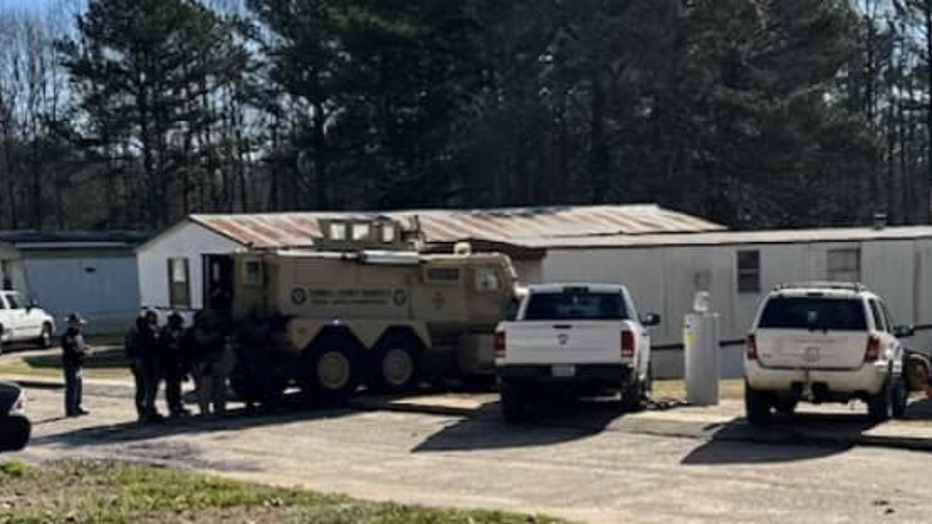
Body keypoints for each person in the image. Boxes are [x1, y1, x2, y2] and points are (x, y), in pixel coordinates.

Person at [187, 311, 234, 416]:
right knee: (205, 389)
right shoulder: (196, 331)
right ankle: (205, 411)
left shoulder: (216, 330)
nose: (211, 320)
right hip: (202, 363)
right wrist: (214, 336)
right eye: (208, 318)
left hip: (216, 361)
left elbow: (224, 346)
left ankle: (220, 410)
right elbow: (202, 342)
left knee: (220, 388)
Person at [127, 310, 163, 422]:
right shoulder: (149, 331)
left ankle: (143, 412)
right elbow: (155, 347)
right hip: (148, 363)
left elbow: (129, 349)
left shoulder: (133, 331)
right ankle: (149, 412)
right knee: (150, 388)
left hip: (138, 363)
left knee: (141, 389)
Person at [160, 312, 190, 417]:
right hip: (168, 363)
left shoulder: (180, 331)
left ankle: (179, 405)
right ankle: (173, 407)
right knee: (171, 386)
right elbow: (163, 347)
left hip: (178, 362)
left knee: (177, 386)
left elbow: (184, 346)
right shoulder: (165, 331)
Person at [61, 312, 88, 417]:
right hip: (70, 364)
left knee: (79, 386)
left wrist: (86, 348)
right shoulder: (67, 336)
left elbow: (81, 346)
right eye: (78, 324)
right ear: (72, 324)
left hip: (78, 363)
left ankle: (77, 406)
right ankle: (70, 409)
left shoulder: (78, 335)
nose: (80, 326)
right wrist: (83, 352)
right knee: (71, 387)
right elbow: (72, 349)